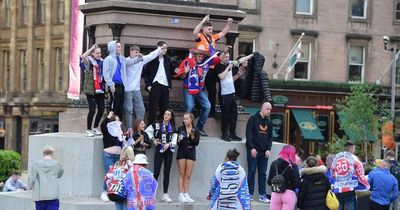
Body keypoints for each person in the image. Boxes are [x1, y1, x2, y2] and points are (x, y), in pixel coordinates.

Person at [175, 47, 228, 137]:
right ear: (195, 55)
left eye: (202, 56)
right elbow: (180, 77)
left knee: (207, 106)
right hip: (188, 89)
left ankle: (199, 127)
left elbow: (219, 59)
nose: (201, 58)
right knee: (190, 107)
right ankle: (185, 128)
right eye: (199, 55)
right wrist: (185, 72)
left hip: (199, 90)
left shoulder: (207, 62)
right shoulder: (188, 61)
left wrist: (225, 51)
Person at [192, 15, 233, 117]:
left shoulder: (213, 38)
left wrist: (229, 24)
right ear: (204, 29)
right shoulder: (200, 37)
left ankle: (211, 111)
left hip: (211, 69)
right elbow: (195, 32)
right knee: (199, 89)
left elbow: (223, 33)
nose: (211, 31)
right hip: (201, 67)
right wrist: (203, 21)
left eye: (212, 29)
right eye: (209, 29)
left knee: (212, 90)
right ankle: (197, 108)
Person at [124, 43, 166, 129]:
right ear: (130, 52)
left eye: (138, 52)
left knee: (141, 110)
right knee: (129, 110)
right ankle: (129, 129)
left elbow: (151, 56)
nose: (137, 53)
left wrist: (159, 49)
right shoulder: (126, 60)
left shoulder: (141, 59)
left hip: (136, 89)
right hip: (127, 89)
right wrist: (139, 58)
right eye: (135, 52)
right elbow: (131, 62)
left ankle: (139, 128)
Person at [216, 52, 253, 142]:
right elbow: (221, 77)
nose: (227, 59)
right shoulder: (219, 66)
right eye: (225, 57)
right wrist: (228, 68)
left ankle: (232, 133)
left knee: (234, 114)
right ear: (221, 58)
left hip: (231, 93)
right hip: (224, 94)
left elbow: (240, 60)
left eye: (228, 57)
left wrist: (251, 55)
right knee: (225, 114)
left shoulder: (231, 63)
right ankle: (224, 134)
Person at [103, 40, 141, 119]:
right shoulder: (108, 59)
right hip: (114, 86)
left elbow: (129, 62)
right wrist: (111, 84)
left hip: (121, 86)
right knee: (114, 106)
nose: (120, 48)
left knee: (120, 106)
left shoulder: (121, 58)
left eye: (120, 46)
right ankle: (111, 125)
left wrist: (138, 59)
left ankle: (118, 126)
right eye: (118, 46)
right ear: (113, 48)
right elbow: (106, 74)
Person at [145, 109, 177, 203]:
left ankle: (165, 194)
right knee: (156, 172)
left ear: (171, 117)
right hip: (159, 149)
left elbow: (174, 140)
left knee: (167, 172)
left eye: (168, 114)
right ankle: (152, 194)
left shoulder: (173, 127)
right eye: (165, 114)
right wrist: (153, 139)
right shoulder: (157, 124)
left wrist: (169, 144)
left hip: (169, 151)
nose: (166, 116)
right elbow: (147, 131)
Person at [245, 102, 274, 202]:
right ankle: (249, 194)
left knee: (263, 174)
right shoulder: (253, 118)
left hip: (264, 153)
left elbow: (270, 137)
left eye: (270, 109)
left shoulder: (269, 122)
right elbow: (248, 134)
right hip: (253, 151)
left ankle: (262, 195)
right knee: (251, 172)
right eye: (267, 109)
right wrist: (251, 148)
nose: (269, 111)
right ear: (262, 108)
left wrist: (268, 149)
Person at [330, 141, 370, 210]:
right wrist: (366, 186)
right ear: (351, 148)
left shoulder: (336, 157)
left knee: (339, 207)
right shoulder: (353, 158)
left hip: (338, 188)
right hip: (349, 188)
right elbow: (360, 173)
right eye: (354, 149)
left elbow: (332, 173)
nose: (354, 151)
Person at [143, 41, 174, 125]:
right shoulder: (152, 58)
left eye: (166, 48)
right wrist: (148, 84)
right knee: (153, 107)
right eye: (163, 48)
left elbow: (172, 73)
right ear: (158, 48)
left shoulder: (167, 59)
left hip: (165, 86)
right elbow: (145, 73)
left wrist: (181, 71)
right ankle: (150, 126)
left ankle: (162, 127)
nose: (165, 50)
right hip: (155, 85)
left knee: (164, 108)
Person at [80, 44, 105, 137]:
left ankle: (95, 127)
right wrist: (91, 48)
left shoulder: (102, 62)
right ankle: (88, 129)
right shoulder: (90, 62)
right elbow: (82, 56)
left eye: (100, 53)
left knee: (101, 109)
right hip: (91, 90)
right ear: (93, 54)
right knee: (92, 110)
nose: (99, 55)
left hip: (100, 89)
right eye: (97, 53)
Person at [28, 145, 64, 210]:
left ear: (43, 153)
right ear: (52, 153)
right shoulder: (57, 164)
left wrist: (30, 186)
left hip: (40, 196)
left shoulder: (36, 164)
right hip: (53, 196)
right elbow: (60, 174)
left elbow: (31, 179)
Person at [267, 145, 300, 210]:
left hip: (276, 193)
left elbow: (269, 181)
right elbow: (296, 184)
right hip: (289, 194)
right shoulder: (293, 166)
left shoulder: (274, 163)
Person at [100, 111, 124, 202]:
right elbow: (103, 125)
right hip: (108, 155)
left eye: (118, 122)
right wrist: (109, 116)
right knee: (109, 173)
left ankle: (114, 192)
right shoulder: (108, 131)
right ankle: (104, 192)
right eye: (115, 122)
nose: (117, 124)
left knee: (117, 175)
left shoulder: (120, 133)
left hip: (118, 156)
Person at [176, 112, 200, 203]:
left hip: (191, 152)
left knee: (188, 175)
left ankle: (186, 193)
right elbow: (177, 142)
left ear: (191, 119)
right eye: (184, 119)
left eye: (186, 119)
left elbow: (196, 143)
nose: (185, 120)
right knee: (182, 173)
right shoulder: (180, 129)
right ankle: (180, 194)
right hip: (182, 151)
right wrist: (178, 139)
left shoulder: (195, 129)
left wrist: (192, 135)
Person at [105, 146, 135, 210]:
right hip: (126, 193)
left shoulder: (116, 164)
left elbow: (107, 177)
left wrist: (111, 187)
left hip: (115, 191)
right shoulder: (132, 165)